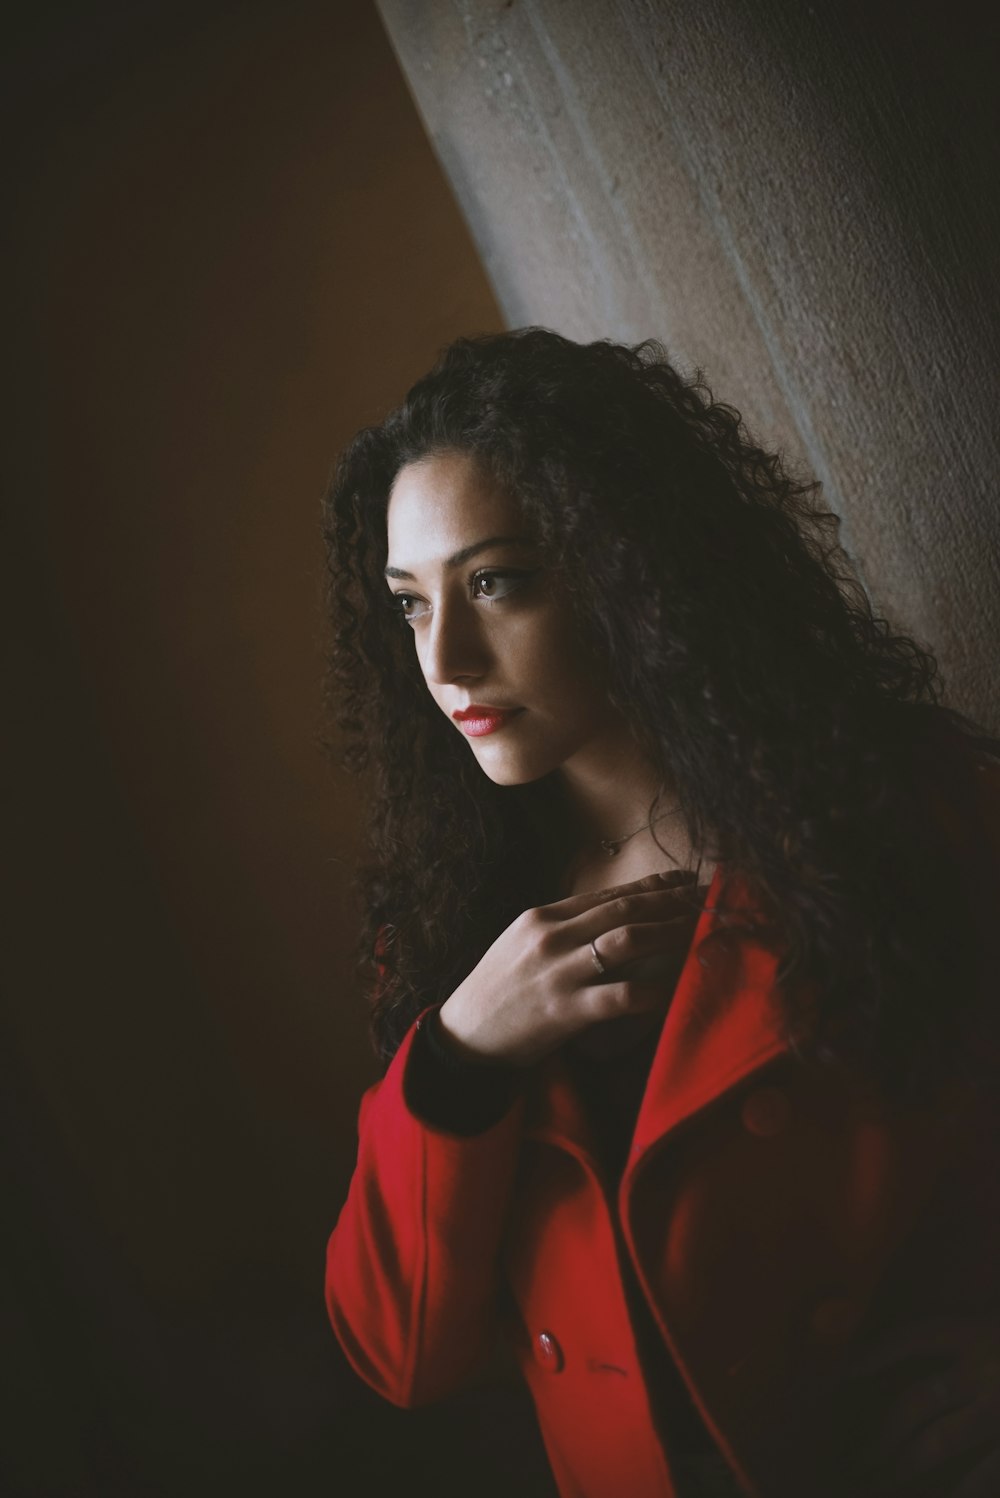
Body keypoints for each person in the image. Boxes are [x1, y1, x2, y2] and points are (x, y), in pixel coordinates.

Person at [322, 328, 1000, 1497]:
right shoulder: (452, 922)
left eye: (496, 581)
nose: (448, 656)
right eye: (410, 603)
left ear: (625, 563)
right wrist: (463, 1054)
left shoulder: (885, 806)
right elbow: (399, 1355)